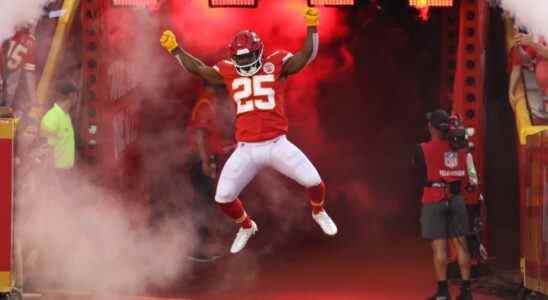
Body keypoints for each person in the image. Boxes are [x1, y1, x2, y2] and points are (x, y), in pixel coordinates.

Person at [160, 7, 337, 254]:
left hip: (277, 144)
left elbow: (305, 57)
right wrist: (176, 50)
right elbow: (199, 69)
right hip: (247, 148)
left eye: (247, 57)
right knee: (223, 198)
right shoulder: (227, 71)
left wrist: (311, 28)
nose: (243, 62)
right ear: (233, 57)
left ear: (259, 52)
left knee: (315, 183)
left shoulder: (276, 63)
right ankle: (246, 225)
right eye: (239, 58)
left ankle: (318, 211)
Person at [413, 110, 475, 300]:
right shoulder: (462, 149)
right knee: (461, 245)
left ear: (431, 127)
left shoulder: (422, 148)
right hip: (456, 199)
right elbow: (471, 178)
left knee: (439, 248)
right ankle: (466, 292)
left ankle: (442, 293)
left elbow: (419, 173)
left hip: (433, 198)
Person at [39, 81, 77, 180]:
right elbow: (46, 150)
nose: (77, 98)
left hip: (66, 173)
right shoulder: (52, 117)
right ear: (71, 95)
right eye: (76, 95)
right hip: (56, 174)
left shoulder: (66, 115)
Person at [1, 26, 38, 117]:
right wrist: (33, 98)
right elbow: (29, 74)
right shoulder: (30, 42)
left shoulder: (7, 29)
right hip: (7, 92)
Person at [508, 31, 548, 111]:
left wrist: (531, 42)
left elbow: (545, 52)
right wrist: (518, 46)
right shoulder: (540, 35)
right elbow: (525, 61)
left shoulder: (534, 41)